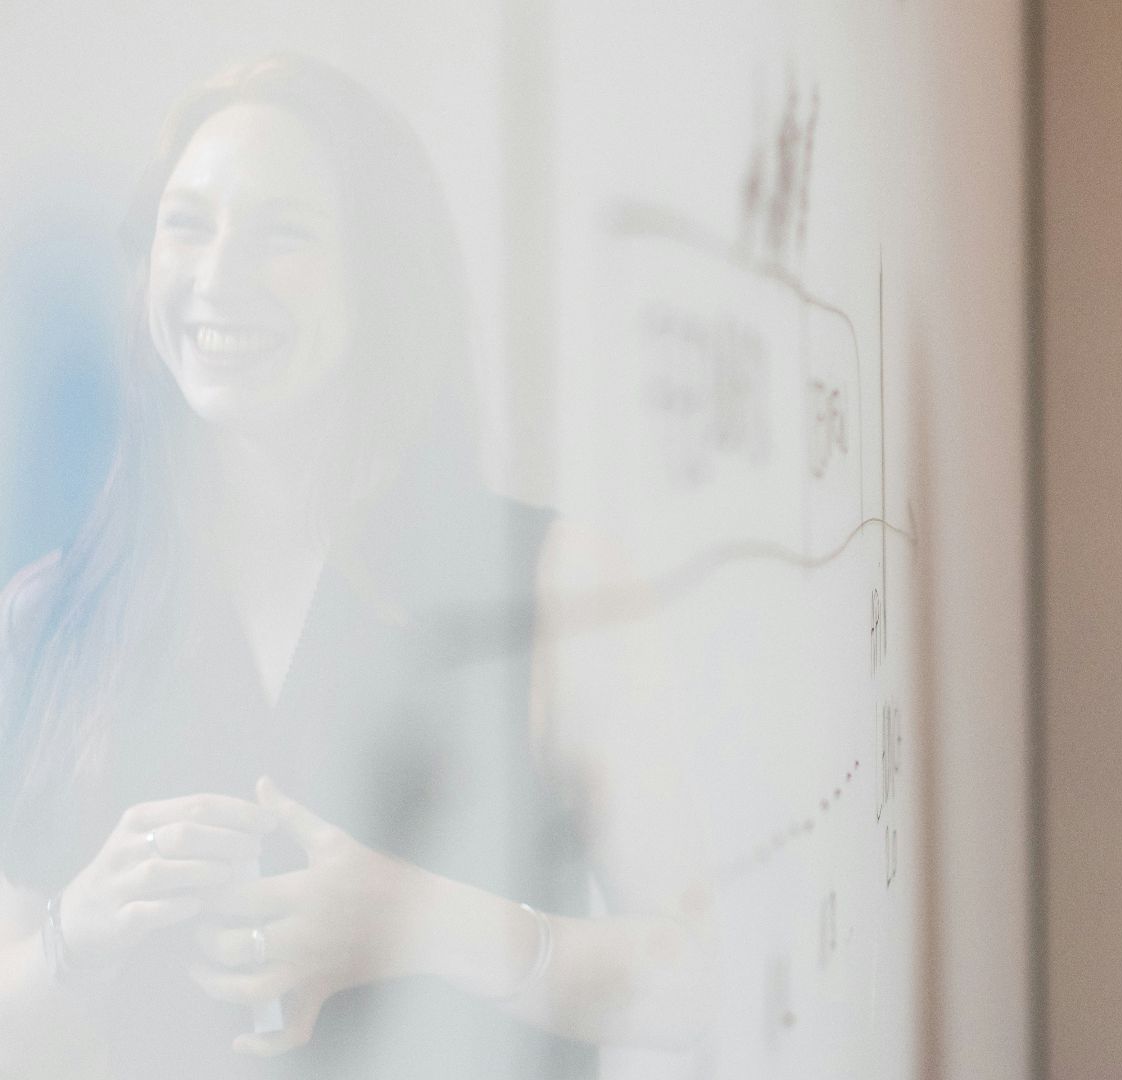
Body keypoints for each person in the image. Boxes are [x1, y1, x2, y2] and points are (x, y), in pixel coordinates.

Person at [0, 55, 701, 1078]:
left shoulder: (553, 588)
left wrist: (422, 921)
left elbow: (705, 977)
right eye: (186, 225)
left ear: (384, 280)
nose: (217, 275)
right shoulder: (48, 618)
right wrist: (81, 928)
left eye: (282, 233)